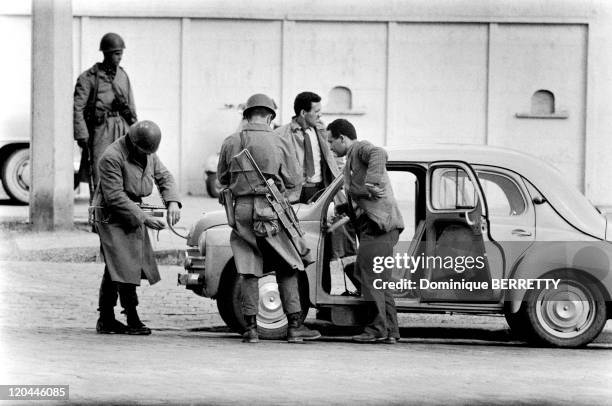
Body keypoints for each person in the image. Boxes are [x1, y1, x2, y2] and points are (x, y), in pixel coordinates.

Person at [217, 93, 320, 343]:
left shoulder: (231, 141)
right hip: (272, 211)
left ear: (247, 114)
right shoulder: (279, 140)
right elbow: (295, 180)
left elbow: (222, 178)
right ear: (270, 116)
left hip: (241, 211)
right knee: (287, 266)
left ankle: (251, 329)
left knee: (249, 270)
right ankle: (295, 327)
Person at [92, 120, 181, 335]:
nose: (146, 155)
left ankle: (106, 318)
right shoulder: (111, 157)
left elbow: (164, 176)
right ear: (133, 142)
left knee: (119, 265)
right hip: (112, 214)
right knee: (124, 264)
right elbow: (114, 196)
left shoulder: (148, 153)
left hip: (132, 211)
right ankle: (130, 316)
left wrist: (173, 202)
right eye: (143, 150)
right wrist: (144, 218)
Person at [326, 118, 404, 344]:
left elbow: (379, 153)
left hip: (379, 227)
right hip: (378, 227)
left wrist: (371, 183)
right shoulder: (351, 159)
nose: (330, 147)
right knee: (379, 280)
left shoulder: (360, 148)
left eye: (332, 141)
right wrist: (340, 209)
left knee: (367, 275)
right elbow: (356, 197)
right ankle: (391, 331)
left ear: (342, 138)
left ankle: (376, 329)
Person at [74, 32, 138, 200]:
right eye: (116, 54)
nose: (119, 58)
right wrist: (82, 134)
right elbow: (77, 107)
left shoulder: (123, 75)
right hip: (101, 130)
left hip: (122, 128)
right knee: (100, 172)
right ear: (106, 53)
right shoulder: (89, 78)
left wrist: (135, 130)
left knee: (124, 171)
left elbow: (131, 105)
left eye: (121, 53)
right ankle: (98, 215)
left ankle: (120, 214)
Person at [274, 92, 339, 203]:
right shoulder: (280, 135)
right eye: (316, 111)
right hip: (292, 194)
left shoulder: (322, 131)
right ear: (303, 113)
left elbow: (333, 158)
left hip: (319, 190)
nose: (320, 115)